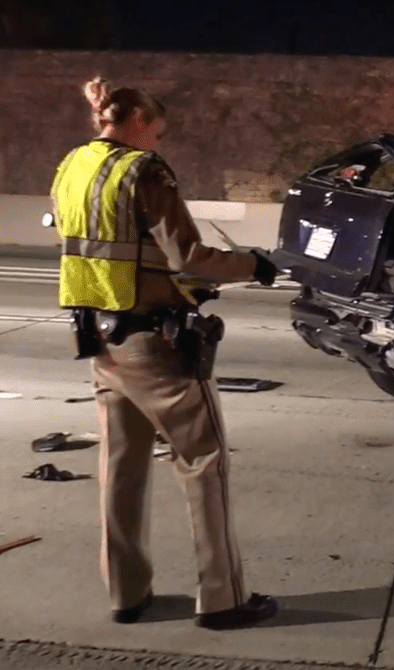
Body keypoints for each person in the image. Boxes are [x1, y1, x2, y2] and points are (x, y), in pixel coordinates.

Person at [50, 77, 280, 629]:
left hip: (100, 338)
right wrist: (255, 265)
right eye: (156, 132)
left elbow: (103, 241)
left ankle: (126, 595)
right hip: (155, 344)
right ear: (137, 126)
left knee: (119, 467)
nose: (158, 142)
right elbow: (190, 256)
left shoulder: (73, 165)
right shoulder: (144, 171)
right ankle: (223, 600)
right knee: (204, 462)